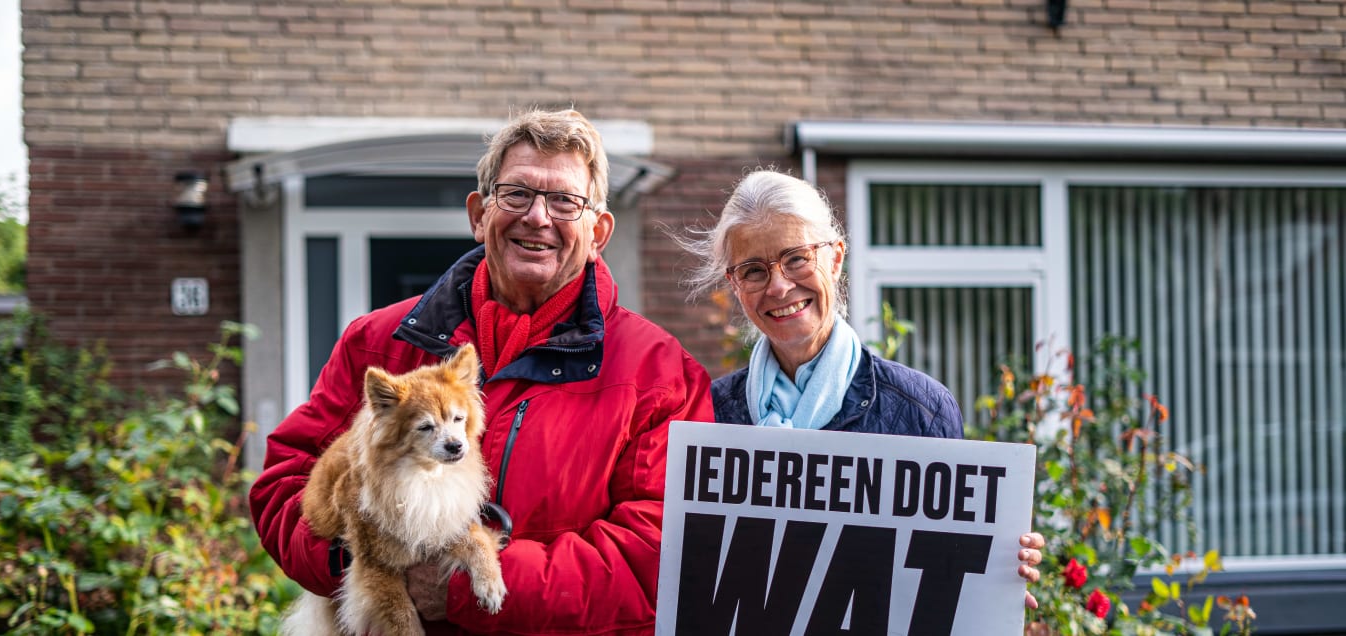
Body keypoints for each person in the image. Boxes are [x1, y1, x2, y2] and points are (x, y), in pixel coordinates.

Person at [250, 108, 714, 635]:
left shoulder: (661, 373)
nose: (538, 217)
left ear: (599, 231)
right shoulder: (378, 342)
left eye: (565, 201)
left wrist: (468, 583)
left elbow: (660, 550)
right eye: (516, 193)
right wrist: (361, 554)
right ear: (479, 214)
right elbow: (283, 482)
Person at [677, 168, 1046, 605]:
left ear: (835, 258)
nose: (778, 286)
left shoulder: (920, 411)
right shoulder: (706, 417)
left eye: (796, 258)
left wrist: (992, 574)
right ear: (735, 285)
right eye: (754, 270)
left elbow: (941, 576)